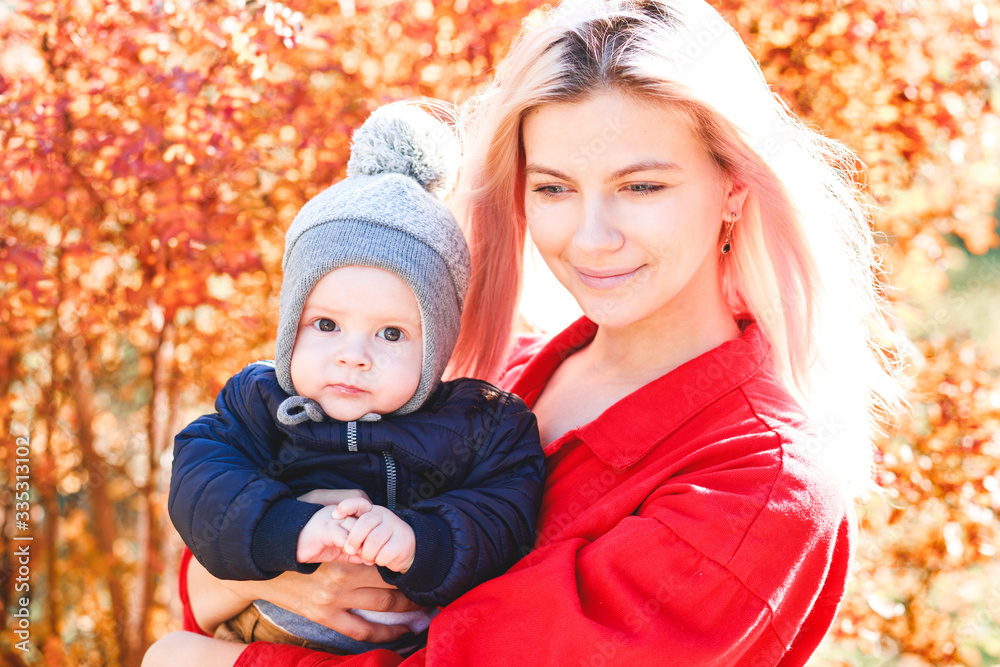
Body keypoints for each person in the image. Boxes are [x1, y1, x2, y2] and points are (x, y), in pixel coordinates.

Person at [151, 0, 905, 665]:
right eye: (553, 188)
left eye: (642, 186)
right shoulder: (493, 371)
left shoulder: (758, 482)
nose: (591, 236)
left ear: (734, 187)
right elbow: (211, 564)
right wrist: (247, 572)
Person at [142, 103, 544, 663]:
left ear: (439, 344)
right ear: (289, 328)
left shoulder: (479, 424)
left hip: (401, 648)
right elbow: (201, 483)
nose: (354, 357)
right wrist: (290, 527)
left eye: (392, 334)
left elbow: (504, 515)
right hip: (259, 633)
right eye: (326, 325)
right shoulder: (261, 404)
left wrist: (418, 539)